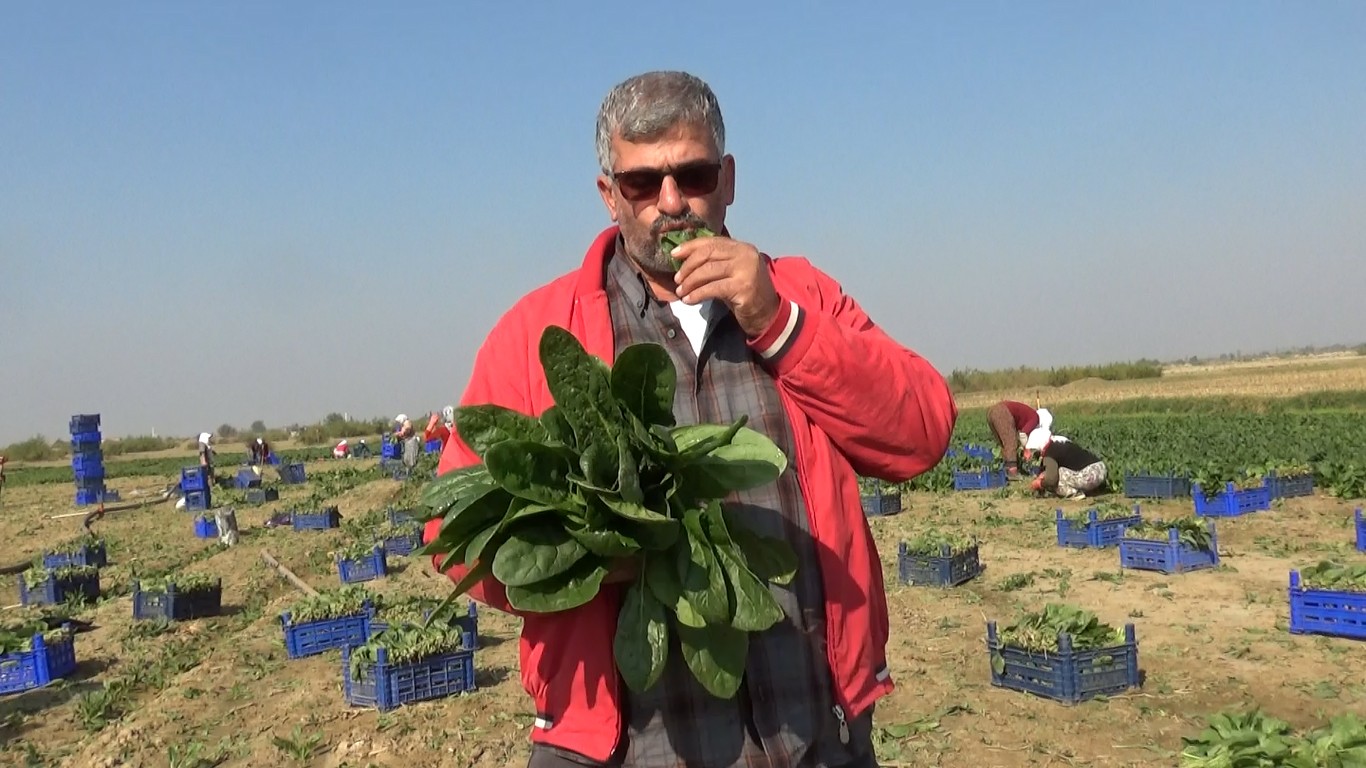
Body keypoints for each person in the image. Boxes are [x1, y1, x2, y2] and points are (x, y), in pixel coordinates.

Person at [423, 70, 957, 768]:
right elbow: (453, 533)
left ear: (728, 178)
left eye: (694, 174)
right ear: (609, 195)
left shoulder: (803, 295)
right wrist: (590, 561)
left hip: (812, 733)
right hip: (622, 747)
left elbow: (921, 432)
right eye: (643, 184)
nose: (671, 203)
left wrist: (780, 324)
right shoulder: (535, 332)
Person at [1026, 427, 1107, 500]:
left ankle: (1074, 494)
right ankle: (1093, 490)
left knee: (1057, 476)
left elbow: (1051, 480)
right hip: (1100, 469)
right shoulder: (1061, 441)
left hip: (1089, 475)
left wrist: (1039, 483)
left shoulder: (1050, 453)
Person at [985, 401, 1051, 479]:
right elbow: (1023, 434)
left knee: (1004, 444)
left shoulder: (1029, 414)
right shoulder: (1035, 418)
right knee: (1011, 443)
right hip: (1003, 412)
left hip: (992, 412)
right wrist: (1026, 449)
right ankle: (1013, 473)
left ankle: (1007, 469)